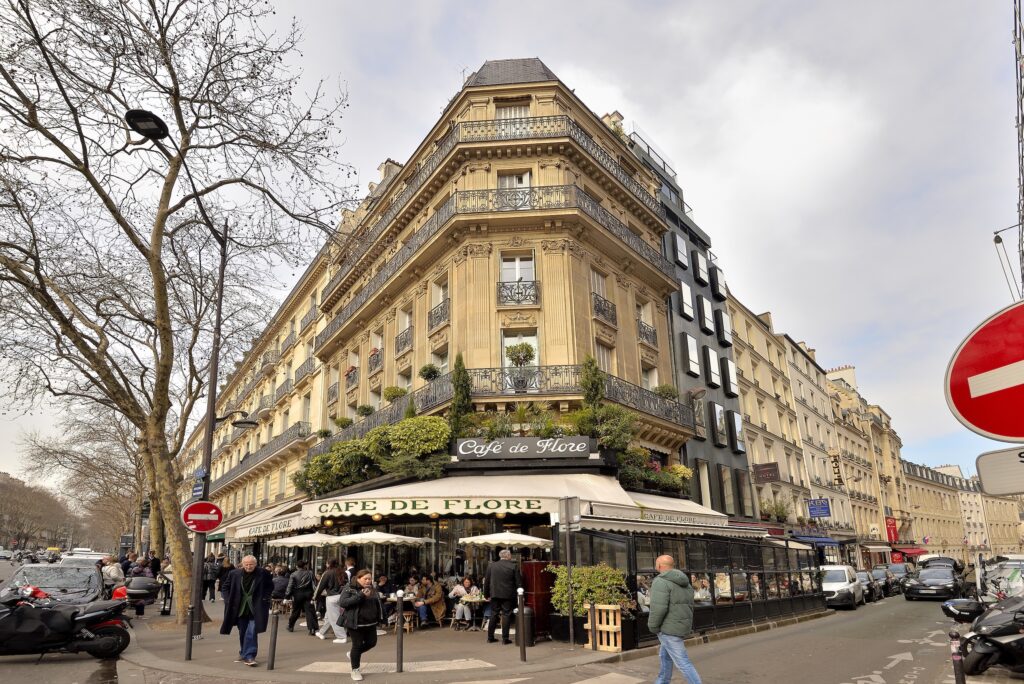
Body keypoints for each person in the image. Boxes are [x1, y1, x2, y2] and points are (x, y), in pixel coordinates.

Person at [648, 555, 702, 684]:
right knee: (665, 657)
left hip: (668, 628)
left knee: (683, 663)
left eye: (656, 563)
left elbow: (658, 608)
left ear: (660, 565)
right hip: (680, 625)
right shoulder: (685, 582)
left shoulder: (660, 581)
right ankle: (662, 681)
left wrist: (653, 627)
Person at [220, 555, 273, 667]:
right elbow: (225, 587)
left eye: (251, 564)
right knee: (242, 632)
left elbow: (270, 586)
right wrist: (228, 600)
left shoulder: (263, 573)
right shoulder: (234, 574)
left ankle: (249, 656)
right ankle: (243, 652)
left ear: (256, 564)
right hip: (239, 608)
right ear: (242, 564)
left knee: (252, 632)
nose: (249, 566)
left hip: (256, 608)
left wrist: (265, 598)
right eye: (246, 564)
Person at [339, 569, 384, 682]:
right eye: (365, 579)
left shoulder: (372, 588)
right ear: (358, 579)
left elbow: (377, 603)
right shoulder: (350, 587)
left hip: (371, 622)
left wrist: (382, 618)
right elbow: (343, 602)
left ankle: (353, 654)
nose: (368, 581)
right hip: (355, 623)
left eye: (370, 578)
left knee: (372, 643)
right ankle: (355, 670)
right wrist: (360, 595)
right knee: (357, 645)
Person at [483, 549, 522, 644]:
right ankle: (505, 639)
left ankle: (490, 637)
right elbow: (518, 582)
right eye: (510, 555)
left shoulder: (491, 566)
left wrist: (486, 594)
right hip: (508, 595)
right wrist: (520, 594)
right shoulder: (513, 566)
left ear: (500, 556)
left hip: (495, 594)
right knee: (506, 615)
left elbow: (486, 582)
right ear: (508, 556)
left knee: (494, 614)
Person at [313, 559, 347, 643]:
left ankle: (341, 637)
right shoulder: (344, 572)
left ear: (328, 564)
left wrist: (314, 597)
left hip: (332, 597)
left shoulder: (327, 573)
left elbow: (320, 586)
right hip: (343, 596)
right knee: (329, 616)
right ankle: (322, 632)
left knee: (334, 617)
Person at [285, 559, 319, 635]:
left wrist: (287, 596)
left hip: (298, 594)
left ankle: (290, 626)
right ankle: (312, 629)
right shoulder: (310, 573)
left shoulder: (293, 574)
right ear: (304, 566)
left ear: (297, 566)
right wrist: (315, 595)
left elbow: (290, 586)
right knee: (310, 611)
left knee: (296, 611)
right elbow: (314, 584)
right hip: (308, 593)